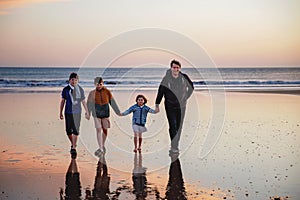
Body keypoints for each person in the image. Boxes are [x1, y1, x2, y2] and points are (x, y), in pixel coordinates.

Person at [155, 59, 194, 155]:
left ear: (179, 68)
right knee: (173, 125)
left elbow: (191, 87)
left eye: (177, 67)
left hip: (182, 106)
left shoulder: (184, 77)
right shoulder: (166, 78)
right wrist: (157, 104)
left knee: (179, 126)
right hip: (170, 105)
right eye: (174, 67)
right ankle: (174, 146)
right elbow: (161, 90)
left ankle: (176, 144)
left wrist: (186, 97)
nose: (175, 69)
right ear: (171, 68)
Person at [87, 77, 121, 157]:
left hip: (105, 113)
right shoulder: (92, 93)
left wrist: (117, 112)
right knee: (98, 129)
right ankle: (101, 148)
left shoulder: (107, 92)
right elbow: (89, 104)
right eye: (97, 84)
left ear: (103, 83)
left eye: (100, 84)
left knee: (105, 130)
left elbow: (112, 102)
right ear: (94, 84)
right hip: (96, 113)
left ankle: (102, 144)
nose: (99, 86)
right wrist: (88, 113)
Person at [59, 72, 89, 157]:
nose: (74, 81)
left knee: (76, 130)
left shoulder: (80, 89)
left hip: (77, 112)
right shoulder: (66, 89)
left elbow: (83, 101)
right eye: (72, 80)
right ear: (69, 80)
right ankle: (73, 143)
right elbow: (63, 101)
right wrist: (60, 112)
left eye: (76, 80)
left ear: (78, 80)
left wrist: (87, 111)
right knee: (68, 131)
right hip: (68, 112)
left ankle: (73, 147)